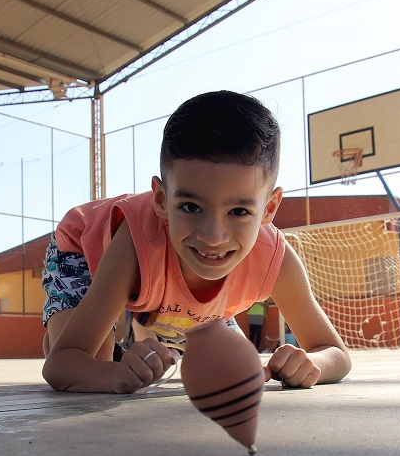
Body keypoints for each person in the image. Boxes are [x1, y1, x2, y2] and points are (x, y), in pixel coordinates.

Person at [42, 91, 352, 394]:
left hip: (159, 289)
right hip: (84, 249)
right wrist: (115, 374)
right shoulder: (135, 244)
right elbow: (62, 366)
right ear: (161, 200)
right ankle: (76, 327)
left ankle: (124, 325)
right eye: (191, 207)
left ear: (269, 208)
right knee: (94, 364)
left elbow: (335, 353)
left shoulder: (274, 259)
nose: (213, 237)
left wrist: (312, 363)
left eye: (240, 211)